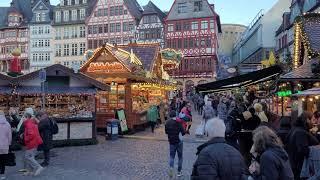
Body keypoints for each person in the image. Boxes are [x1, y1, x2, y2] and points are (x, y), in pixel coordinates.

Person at [286, 112, 319, 179]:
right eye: (313, 120)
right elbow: (303, 150)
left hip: (295, 165)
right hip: (300, 167)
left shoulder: (296, 129)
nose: (314, 122)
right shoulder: (300, 132)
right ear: (307, 120)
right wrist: (316, 148)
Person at [165, 110, 186, 178]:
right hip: (179, 142)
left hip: (171, 141)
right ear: (175, 115)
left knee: (172, 157)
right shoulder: (178, 122)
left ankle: (171, 168)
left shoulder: (167, 122)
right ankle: (179, 172)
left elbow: (166, 132)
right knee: (180, 157)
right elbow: (183, 132)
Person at [23, 112, 44, 176]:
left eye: (23, 117)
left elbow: (31, 135)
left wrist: (25, 138)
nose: (22, 118)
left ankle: (39, 167)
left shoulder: (28, 124)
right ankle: (31, 171)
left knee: (28, 157)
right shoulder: (30, 123)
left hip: (32, 143)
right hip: (34, 142)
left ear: (27, 117)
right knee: (30, 157)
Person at [0, 111, 12, 180]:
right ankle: (2, 174)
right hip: (4, 145)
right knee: (3, 160)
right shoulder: (7, 124)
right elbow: (9, 136)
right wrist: (9, 143)